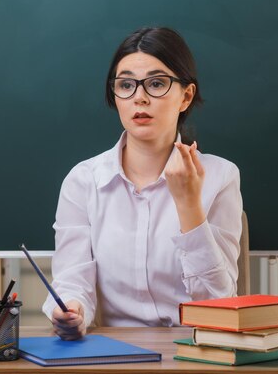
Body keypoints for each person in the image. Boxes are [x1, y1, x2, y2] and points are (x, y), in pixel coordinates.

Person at [42, 27, 243, 340]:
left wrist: (189, 204)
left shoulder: (220, 176)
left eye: (157, 83)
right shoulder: (83, 181)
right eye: (125, 85)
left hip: (193, 351)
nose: (139, 97)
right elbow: (72, 281)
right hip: (112, 353)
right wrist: (72, 309)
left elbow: (219, 304)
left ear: (185, 95)